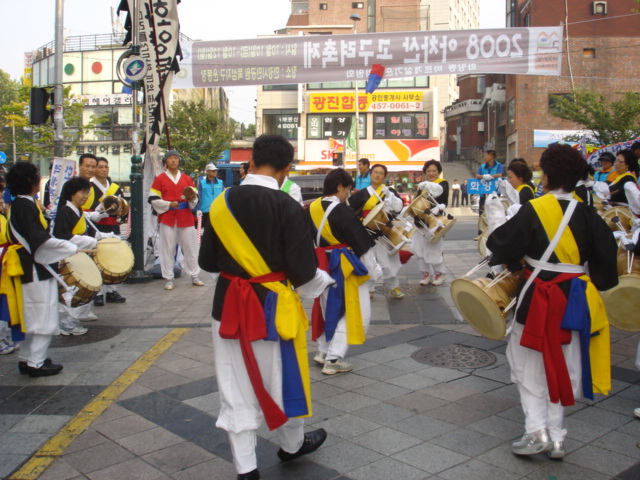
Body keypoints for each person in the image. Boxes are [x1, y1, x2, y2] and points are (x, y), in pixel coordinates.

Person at [198, 134, 334, 480]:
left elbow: (208, 263)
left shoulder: (220, 204)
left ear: (252, 161)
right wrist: (327, 282)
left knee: (234, 383)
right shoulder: (288, 205)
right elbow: (304, 277)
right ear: (287, 168)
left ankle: (246, 469)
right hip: (275, 308)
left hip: (227, 304)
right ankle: (292, 445)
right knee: (283, 377)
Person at [486, 143, 618, 459]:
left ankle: (536, 431)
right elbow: (607, 274)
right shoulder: (589, 214)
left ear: (545, 177)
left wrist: (495, 221)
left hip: (536, 296)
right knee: (563, 365)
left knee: (526, 363)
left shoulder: (534, 209)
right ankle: (557, 437)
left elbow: (498, 247)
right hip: (575, 300)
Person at [7, 162, 80, 376]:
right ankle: (36, 363)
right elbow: (40, 240)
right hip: (35, 267)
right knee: (43, 315)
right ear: (29, 180)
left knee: (32, 314)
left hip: (27, 267)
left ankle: (27, 358)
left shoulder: (21, 204)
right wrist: (69, 247)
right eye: (37, 176)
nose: (40, 181)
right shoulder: (26, 205)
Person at [306, 168, 380, 375]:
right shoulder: (342, 211)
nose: (348, 194)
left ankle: (322, 351)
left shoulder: (311, 207)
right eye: (347, 189)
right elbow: (363, 247)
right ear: (340, 187)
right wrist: (374, 273)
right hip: (344, 268)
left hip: (321, 266)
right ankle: (333, 358)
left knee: (329, 309)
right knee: (355, 313)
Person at [53, 177, 106, 336]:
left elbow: (86, 232)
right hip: (70, 259)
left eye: (87, 193)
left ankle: (74, 319)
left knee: (87, 288)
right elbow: (61, 236)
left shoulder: (78, 211)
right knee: (76, 290)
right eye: (82, 192)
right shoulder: (65, 211)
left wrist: (104, 237)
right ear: (71, 193)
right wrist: (89, 241)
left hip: (80, 255)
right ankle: (68, 322)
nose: (85, 196)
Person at [148, 150, 204, 290]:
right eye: (170, 158)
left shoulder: (186, 178)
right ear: (166, 161)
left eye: (175, 158)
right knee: (167, 248)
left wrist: (192, 199)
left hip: (185, 215)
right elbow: (153, 199)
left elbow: (194, 197)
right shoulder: (160, 179)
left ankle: (194, 275)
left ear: (179, 161)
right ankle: (168, 277)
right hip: (168, 216)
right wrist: (168, 204)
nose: (173, 160)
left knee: (191, 246)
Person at [348, 163, 405, 298]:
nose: (377, 175)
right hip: (366, 232)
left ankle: (393, 286)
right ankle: (369, 288)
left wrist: (390, 196)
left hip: (384, 231)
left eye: (381, 173)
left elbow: (398, 208)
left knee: (388, 262)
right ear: (371, 174)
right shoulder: (361, 193)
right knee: (368, 261)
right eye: (375, 172)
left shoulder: (389, 192)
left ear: (384, 176)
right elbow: (351, 210)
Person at [90, 157, 127, 307]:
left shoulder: (115, 188)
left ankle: (112, 290)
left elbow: (123, 206)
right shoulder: (90, 187)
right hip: (97, 226)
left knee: (112, 258)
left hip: (113, 226)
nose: (104, 169)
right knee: (97, 258)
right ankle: (98, 292)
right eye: (100, 167)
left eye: (106, 167)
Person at [411, 160, 449, 286]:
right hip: (420, 223)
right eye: (428, 171)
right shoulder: (422, 186)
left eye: (434, 171)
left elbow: (443, 198)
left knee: (434, 249)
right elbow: (416, 202)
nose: (431, 173)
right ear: (425, 172)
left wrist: (438, 208)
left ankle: (439, 273)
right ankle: (426, 273)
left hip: (435, 222)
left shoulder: (443, 184)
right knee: (418, 248)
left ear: (439, 172)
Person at [475, 150, 504, 233]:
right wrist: (484, 176)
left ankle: (494, 232)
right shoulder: (483, 166)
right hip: (483, 193)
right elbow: (477, 175)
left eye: (486, 156)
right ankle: (481, 232)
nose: (485, 157)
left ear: (491, 156)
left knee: (494, 213)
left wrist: (490, 176)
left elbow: (499, 175)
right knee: (482, 213)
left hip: (494, 194)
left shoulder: (499, 165)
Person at [196, 163, 224, 232]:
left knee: (217, 231)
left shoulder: (220, 182)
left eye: (215, 170)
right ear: (207, 171)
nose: (215, 172)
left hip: (217, 210)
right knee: (207, 231)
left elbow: (223, 196)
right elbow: (200, 196)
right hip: (206, 210)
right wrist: (198, 209)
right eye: (213, 171)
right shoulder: (202, 183)